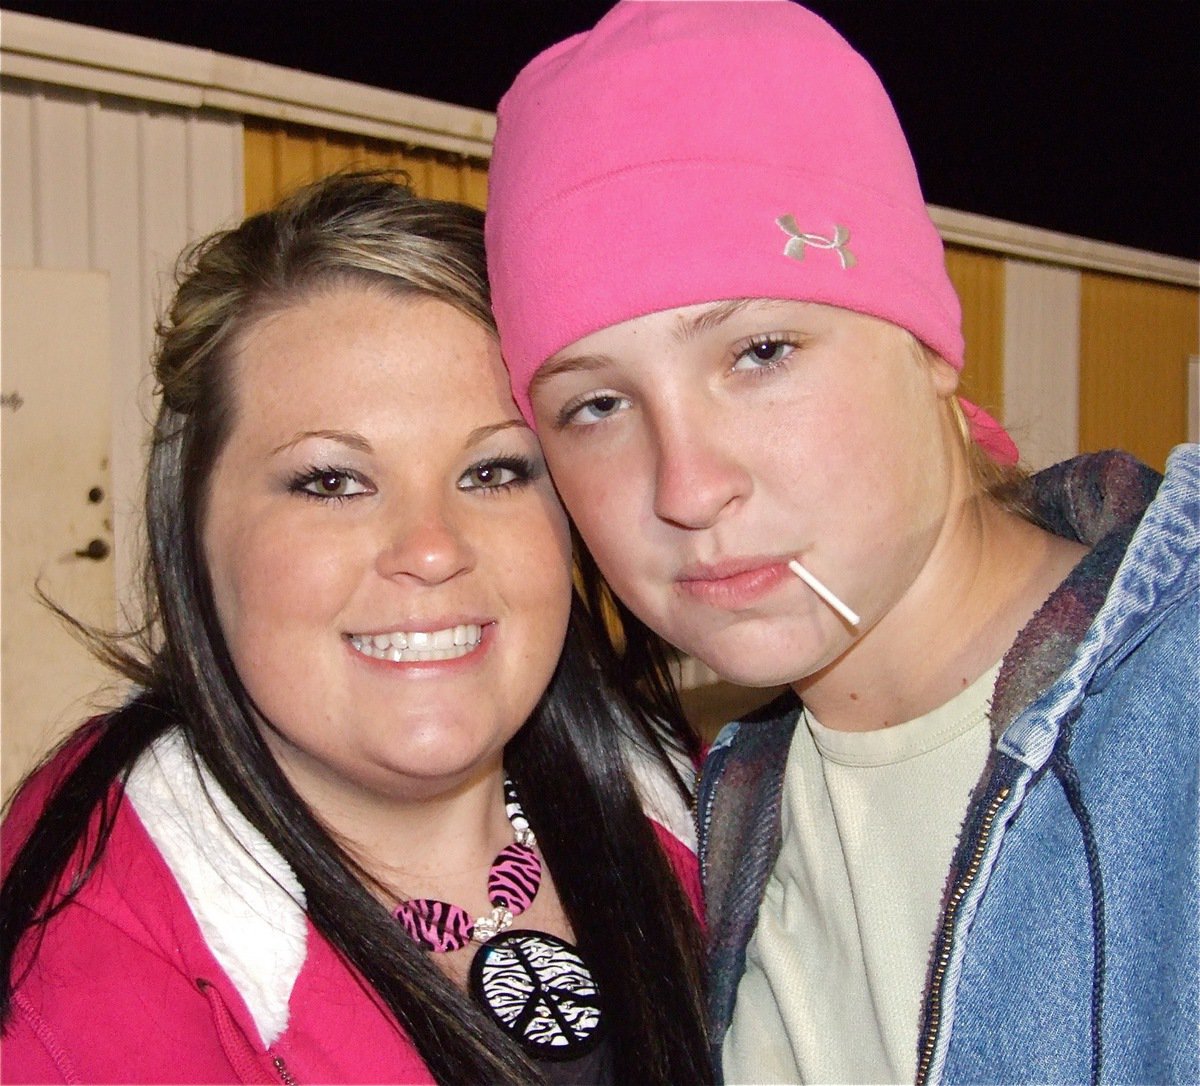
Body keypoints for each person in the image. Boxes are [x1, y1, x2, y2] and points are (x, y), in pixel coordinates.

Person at [483, 3, 1199, 1084]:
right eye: (595, 407)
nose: (689, 487)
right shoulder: (716, 812)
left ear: (929, 345)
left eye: (762, 351)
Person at [0, 172, 713, 1085]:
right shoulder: (78, 987)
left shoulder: (712, 809)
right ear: (194, 533)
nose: (430, 548)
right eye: (331, 481)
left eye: (494, 471)